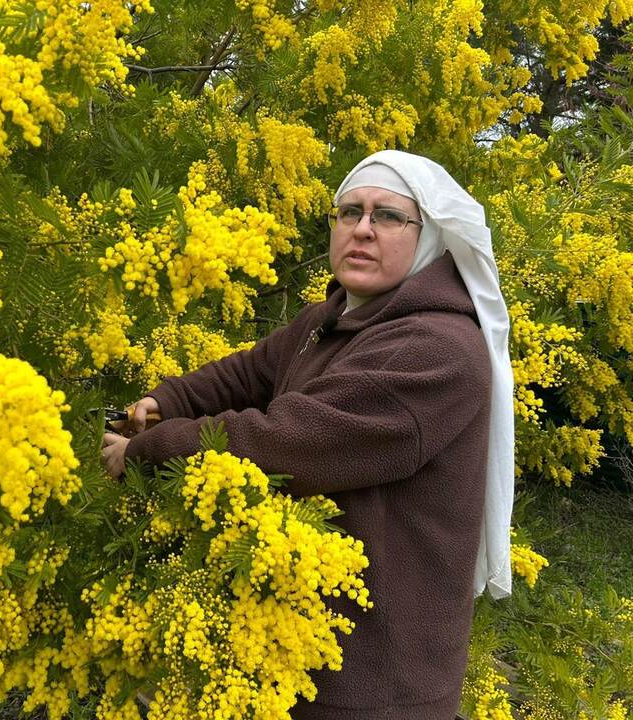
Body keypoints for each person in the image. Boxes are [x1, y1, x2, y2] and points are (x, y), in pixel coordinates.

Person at [101, 150, 515, 719]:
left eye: (388, 217)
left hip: (372, 679)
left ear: (431, 237)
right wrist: (164, 400)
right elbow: (249, 372)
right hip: (289, 651)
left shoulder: (438, 349)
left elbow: (292, 442)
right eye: (349, 212)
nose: (363, 229)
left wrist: (148, 451)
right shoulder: (338, 315)